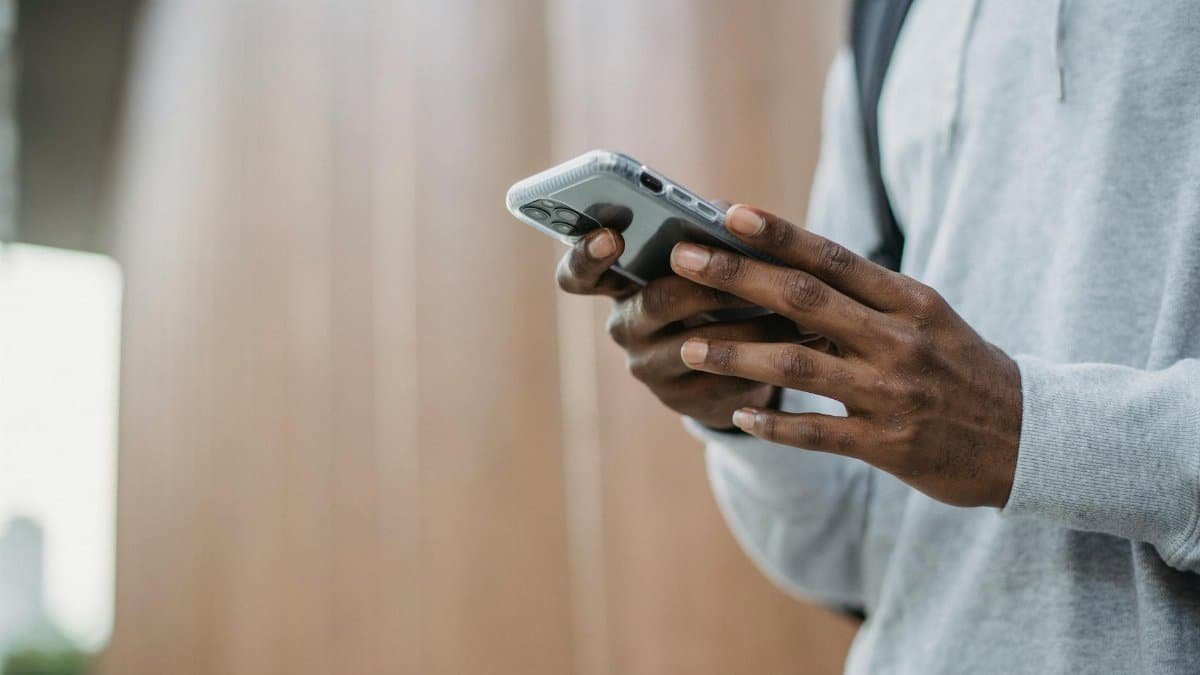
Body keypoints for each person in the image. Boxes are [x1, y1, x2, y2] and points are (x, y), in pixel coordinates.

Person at [553, 1, 1200, 672]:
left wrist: (1027, 431)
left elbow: (995, 431)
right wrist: (752, 408)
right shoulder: (888, 16)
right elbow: (851, 552)